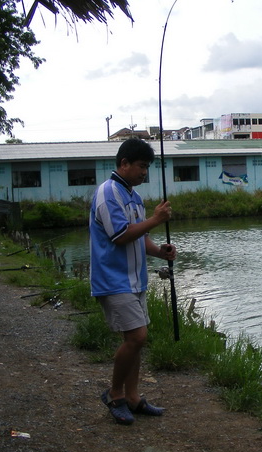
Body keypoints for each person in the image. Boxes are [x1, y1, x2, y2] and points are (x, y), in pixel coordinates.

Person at [90, 138, 177, 425]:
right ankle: (114, 395)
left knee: (135, 341)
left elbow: (141, 239)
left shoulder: (134, 197)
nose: (144, 173)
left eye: (147, 168)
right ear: (124, 164)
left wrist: (160, 253)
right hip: (113, 280)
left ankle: (133, 396)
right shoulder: (108, 193)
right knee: (137, 337)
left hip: (135, 280)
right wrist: (155, 219)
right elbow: (120, 235)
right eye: (141, 166)